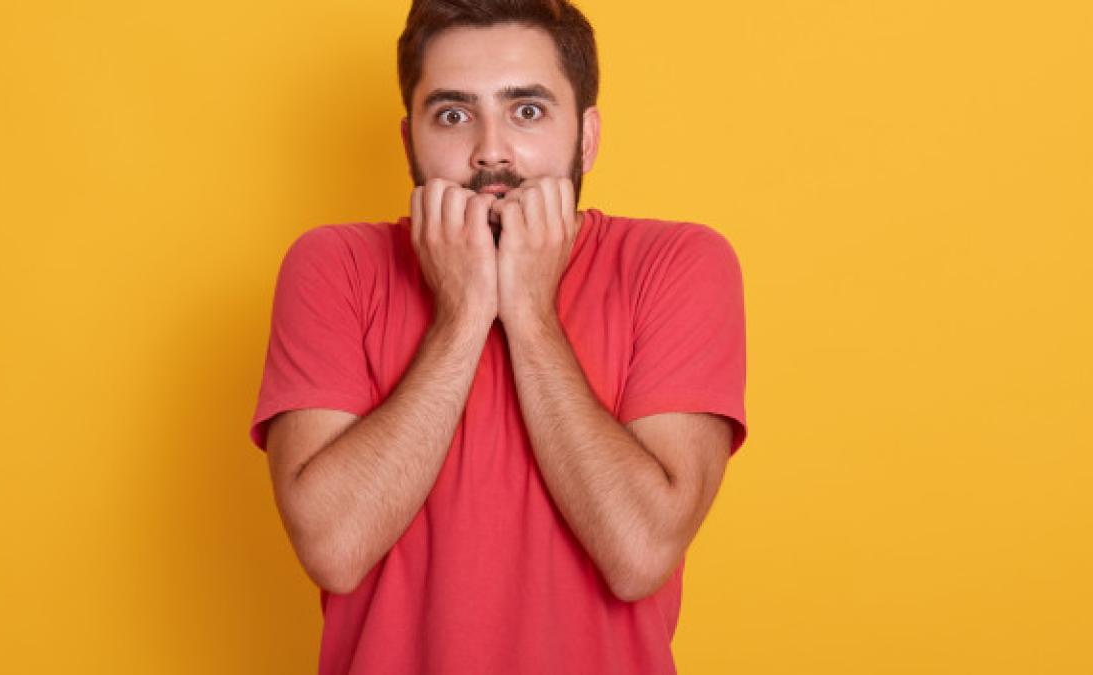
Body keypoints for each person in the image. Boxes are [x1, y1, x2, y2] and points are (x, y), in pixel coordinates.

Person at [247, 1, 748, 672]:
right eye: (453, 115)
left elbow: (639, 552)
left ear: (587, 137)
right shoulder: (333, 266)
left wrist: (531, 313)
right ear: (409, 142)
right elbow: (334, 548)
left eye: (528, 111)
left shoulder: (678, 264)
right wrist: (461, 315)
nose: (490, 149)